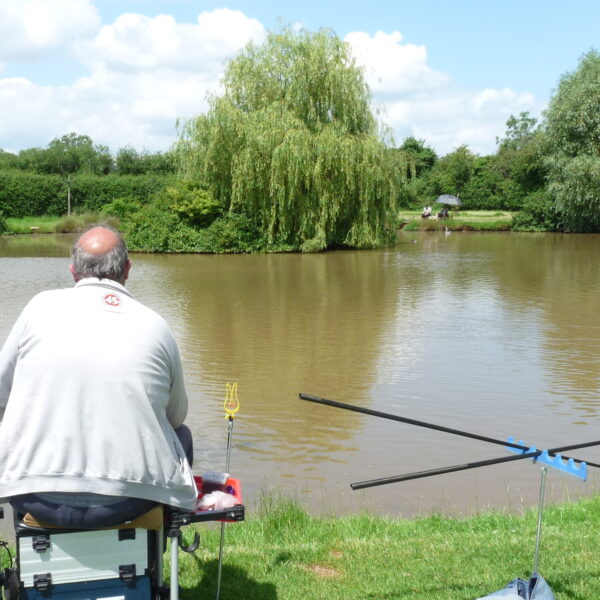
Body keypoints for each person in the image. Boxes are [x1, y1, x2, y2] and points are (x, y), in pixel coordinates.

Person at [0, 225, 197, 528]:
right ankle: (155, 556)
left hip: (35, 495)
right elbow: (175, 417)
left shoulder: (37, 308)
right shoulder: (155, 324)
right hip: (125, 502)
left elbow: (2, 394)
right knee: (182, 436)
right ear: (127, 269)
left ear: (72, 270)